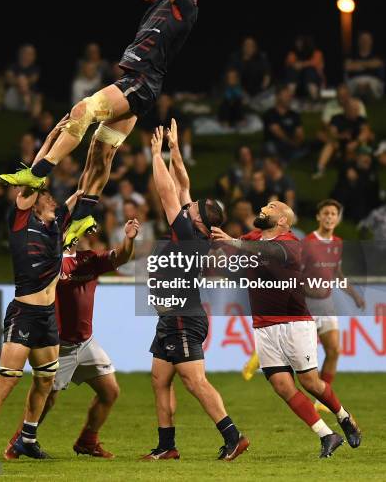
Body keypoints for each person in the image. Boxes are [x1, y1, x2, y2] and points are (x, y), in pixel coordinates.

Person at [0, 0, 197, 247]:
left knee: (82, 111)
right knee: (101, 151)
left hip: (141, 81)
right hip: (141, 87)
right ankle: (83, 217)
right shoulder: (160, 0)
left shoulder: (185, 6)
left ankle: (36, 174)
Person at [0, 117, 92, 462]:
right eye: (46, 197)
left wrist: (96, 151)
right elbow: (35, 178)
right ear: (34, 204)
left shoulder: (56, 228)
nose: (53, 199)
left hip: (47, 316)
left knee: (44, 381)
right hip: (23, 312)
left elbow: (86, 185)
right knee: (6, 383)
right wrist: (53, 137)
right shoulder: (21, 221)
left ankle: (28, 438)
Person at [212, 201, 361, 458]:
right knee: (281, 385)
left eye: (271, 206)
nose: (264, 208)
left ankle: (344, 417)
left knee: (310, 382)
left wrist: (233, 243)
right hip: (262, 325)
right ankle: (328, 435)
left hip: (294, 323)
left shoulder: (291, 243)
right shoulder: (252, 237)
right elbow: (235, 246)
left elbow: (265, 251)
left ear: (282, 220)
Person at [145, 120, 249, 461]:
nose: (187, 204)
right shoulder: (196, 229)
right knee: (160, 378)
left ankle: (233, 437)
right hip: (171, 317)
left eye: (192, 207)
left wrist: (155, 155)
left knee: (194, 380)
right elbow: (182, 184)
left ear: (201, 221)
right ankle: (166, 447)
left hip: (182, 318)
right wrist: (175, 150)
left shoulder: (188, 234)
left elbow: (166, 192)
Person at [4, 218, 140, 460]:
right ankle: (20, 440)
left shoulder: (90, 259)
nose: (86, 235)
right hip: (59, 346)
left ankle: (88, 441)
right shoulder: (52, 264)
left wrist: (128, 239)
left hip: (86, 343)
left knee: (110, 391)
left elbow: (121, 257)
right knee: (47, 397)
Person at [302, 200, 365, 411]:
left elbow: (337, 273)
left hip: (327, 306)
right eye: (326, 213)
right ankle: (262, 355)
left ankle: (322, 400)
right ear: (319, 217)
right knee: (300, 360)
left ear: (338, 219)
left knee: (334, 350)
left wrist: (355, 295)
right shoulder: (308, 242)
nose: (329, 217)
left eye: (333, 214)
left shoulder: (337, 242)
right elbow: (294, 273)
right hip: (306, 308)